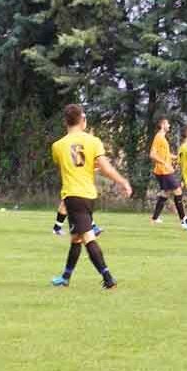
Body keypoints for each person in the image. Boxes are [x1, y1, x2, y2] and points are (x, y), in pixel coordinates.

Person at [50, 104, 132, 289]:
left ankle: (108, 278)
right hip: (89, 195)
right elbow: (105, 168)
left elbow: (66, 166)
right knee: (76, 238)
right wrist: (122, 181)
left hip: (73, 195)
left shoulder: (57, 146)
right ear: (83, 120)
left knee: (87, 237)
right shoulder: (94, 141)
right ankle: (65, 277)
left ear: (65, 122)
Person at [149, 117, 185, 226]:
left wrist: (176, 157)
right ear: (162, 125)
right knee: (178, 191)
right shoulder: (159, 137)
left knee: (166, 193)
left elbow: (165, 154)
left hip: (164, 170)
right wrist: (164, 163)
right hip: (164, 170)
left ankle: (154, 218)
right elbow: (152, 154)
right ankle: (183, 219)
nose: (169, 126)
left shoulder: (162, 138)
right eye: (167, 124)